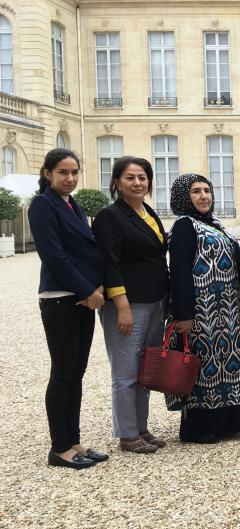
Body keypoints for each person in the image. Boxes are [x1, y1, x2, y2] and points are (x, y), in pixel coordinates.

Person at [29, 149, 108, 469]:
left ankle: (74, 441)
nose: (70, 178)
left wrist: (96, 288)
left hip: (83, 298)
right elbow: (54, 255)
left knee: (76, 372)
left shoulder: (73, 204)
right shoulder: (42, 205)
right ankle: (59, 447)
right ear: (47, 173)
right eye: (63, 172)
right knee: (63, 373)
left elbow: (87, 252)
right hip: (61, 298)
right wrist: (88, 290)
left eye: (74, 172)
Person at [92, 156, 169, 454]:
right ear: (117, 183)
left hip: (154, 301)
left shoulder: (148, 212)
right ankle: (127, 433)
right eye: (130, 178)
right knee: (125, 372)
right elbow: (108, 263)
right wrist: (121, 306)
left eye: (142, 177)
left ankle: (141, 427)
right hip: (127, 303)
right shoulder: (109, 216)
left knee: (145, 370)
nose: (137, 183)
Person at [166, 173, 240, 444]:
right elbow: (179, 271)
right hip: (201, 312)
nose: (204, 196)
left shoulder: (214, 223)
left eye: (207, 190)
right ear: (183, 197)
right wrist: (184, 315)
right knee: (203, 368)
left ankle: (228, 422)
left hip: (227, 311)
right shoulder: (184, 225)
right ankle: (198, 427)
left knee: (227, 362)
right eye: (196, 191)